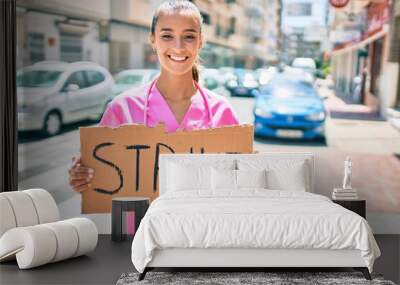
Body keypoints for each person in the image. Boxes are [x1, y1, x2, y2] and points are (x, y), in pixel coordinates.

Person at [69, 0, 239, 193]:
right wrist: (83, 176)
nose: (178, 46)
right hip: (139, 223)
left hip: (205, 223)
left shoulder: (222, 111)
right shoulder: (122, 108)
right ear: (152, 40)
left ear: (201, 42)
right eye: (167, 36)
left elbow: (240, 182)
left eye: (189, 37)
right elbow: (98, 177)